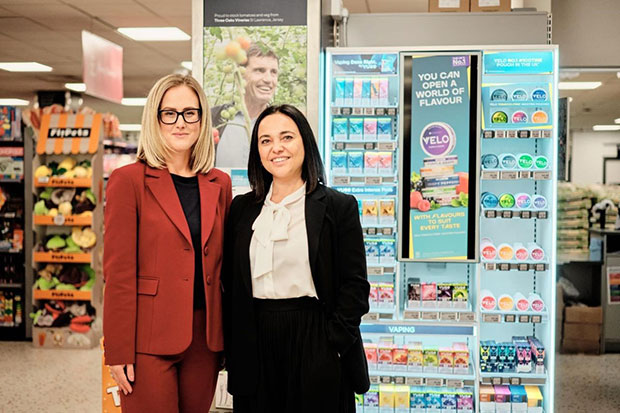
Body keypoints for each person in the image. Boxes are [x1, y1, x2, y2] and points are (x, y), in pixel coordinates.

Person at [222, 104, 370, 413]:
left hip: (316, 338)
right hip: (255, 341)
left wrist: (333, 343)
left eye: (286, 137)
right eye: (265, 140)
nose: (276, 148)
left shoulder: (337, 206)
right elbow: (230, 285)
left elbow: (355, 286)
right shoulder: (242, 209)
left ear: (305, 142)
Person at [103, 73, 232, 412]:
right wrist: (117, 349)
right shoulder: (128, 181)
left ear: (202, 119)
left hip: (205, 339)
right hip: (147, 339)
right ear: (155, 118)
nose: (180, 122)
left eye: (190, 113)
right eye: (169, 113)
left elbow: (224, 268)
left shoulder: (219, 183)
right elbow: (118, 273)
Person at [213, 44, 279, 168]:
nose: (268, 79)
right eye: (260, 70)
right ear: (241, 74)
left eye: (273, 72)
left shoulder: (282, 122)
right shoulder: (213, 118)